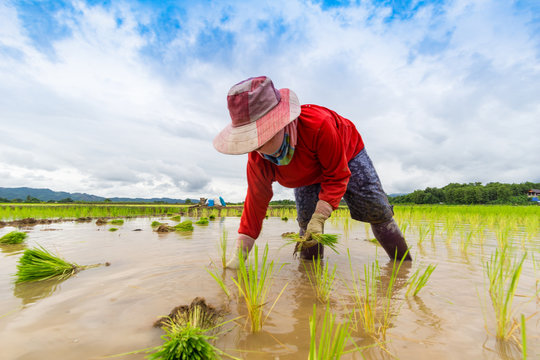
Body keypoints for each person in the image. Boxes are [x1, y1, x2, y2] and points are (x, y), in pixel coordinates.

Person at [213, 76, 412, 268]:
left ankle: (403, 267)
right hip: (306, 172)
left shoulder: (318, 126)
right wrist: (237, 258)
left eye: (262, 136)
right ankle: (309, 279)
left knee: (375, 209)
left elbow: (337, 176)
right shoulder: (258, 159)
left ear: (282, 122)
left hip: (347, 154)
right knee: (307, 222)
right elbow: (255, 202)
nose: (257, 147)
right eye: (250, 141)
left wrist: (321, 215)